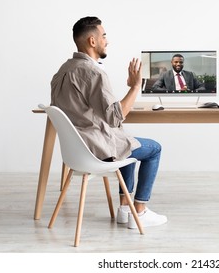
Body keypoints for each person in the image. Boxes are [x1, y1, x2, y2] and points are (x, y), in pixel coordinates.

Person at [50, 16, 167, 229]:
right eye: (104, 36)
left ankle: (125, 210)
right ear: (92, 41)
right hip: (97, 150)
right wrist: (134, 87)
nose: (107, 41)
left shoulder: (62, 71)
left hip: (76, 152)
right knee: (153, 149)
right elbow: (116, 116)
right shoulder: (93, 72)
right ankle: (139, 211)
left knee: (125, 141)